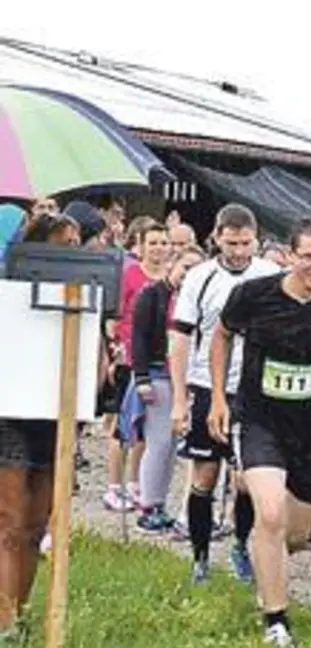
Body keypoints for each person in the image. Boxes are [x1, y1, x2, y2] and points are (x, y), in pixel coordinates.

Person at [206, 218, 311, 648]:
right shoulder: (254, 295)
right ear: (290, 255)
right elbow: (220, 337)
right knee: (272, 513)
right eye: (309, 257)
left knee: (294, 536)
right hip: (259, 418)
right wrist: (219, 398)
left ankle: (262, 555)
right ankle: (275, 619)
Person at [170, 203, 279, 583]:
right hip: (206, 383)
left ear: (256, 240)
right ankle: (199, 557)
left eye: (245, 243)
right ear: (216, 238)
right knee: (204, 474)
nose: (238, 251)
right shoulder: (199, 277)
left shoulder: (270, 275)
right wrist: (181, 399)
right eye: (231, 243)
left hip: (254, 389)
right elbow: (180, 338)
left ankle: (240, 546)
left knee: (247, 478)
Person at [0, 214, 82, 642]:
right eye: (60, 244)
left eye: (76, 243)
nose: (70, 252)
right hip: (11, 414)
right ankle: (3, 619)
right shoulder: (7, 296)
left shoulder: (83, 297)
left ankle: (22, 608)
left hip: (58, 415)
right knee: (9, 521)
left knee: (36, 524)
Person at [129, 244, 206, 533]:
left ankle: (160, 503)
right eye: (185, 268)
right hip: (158, 372)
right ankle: (148, 504)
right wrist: (141, 377)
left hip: (188, 376)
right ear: (173, 264)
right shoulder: (151, 294)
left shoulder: (197, 298)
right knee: (158, 442)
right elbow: (138, 336)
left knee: (174, 447)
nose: (188, 275)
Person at [103, 220, 171, 513]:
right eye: (153, 242)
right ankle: (113, 486)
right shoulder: (130, 275)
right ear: (141, 246)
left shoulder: (171, 279)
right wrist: (116, 344)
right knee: (122, 427)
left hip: (161, 361)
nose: (158, 248)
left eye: (163, 242)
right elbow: (113, 317)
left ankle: (135, 482)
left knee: (146, 430)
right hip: (130, 357)